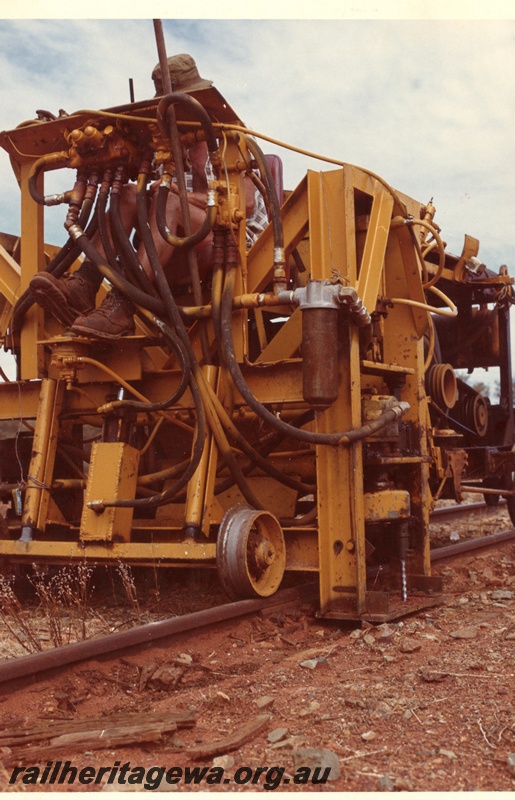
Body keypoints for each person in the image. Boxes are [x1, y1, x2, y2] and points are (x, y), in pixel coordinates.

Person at [29, 55, 267, 340]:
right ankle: (84, 283)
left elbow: (247, 202)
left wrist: (180, 195)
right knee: (129, 194)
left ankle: (122, 304)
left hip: (236, 237)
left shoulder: (230, 140)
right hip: (176, 234)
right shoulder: (165, 146)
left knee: (172, 203)